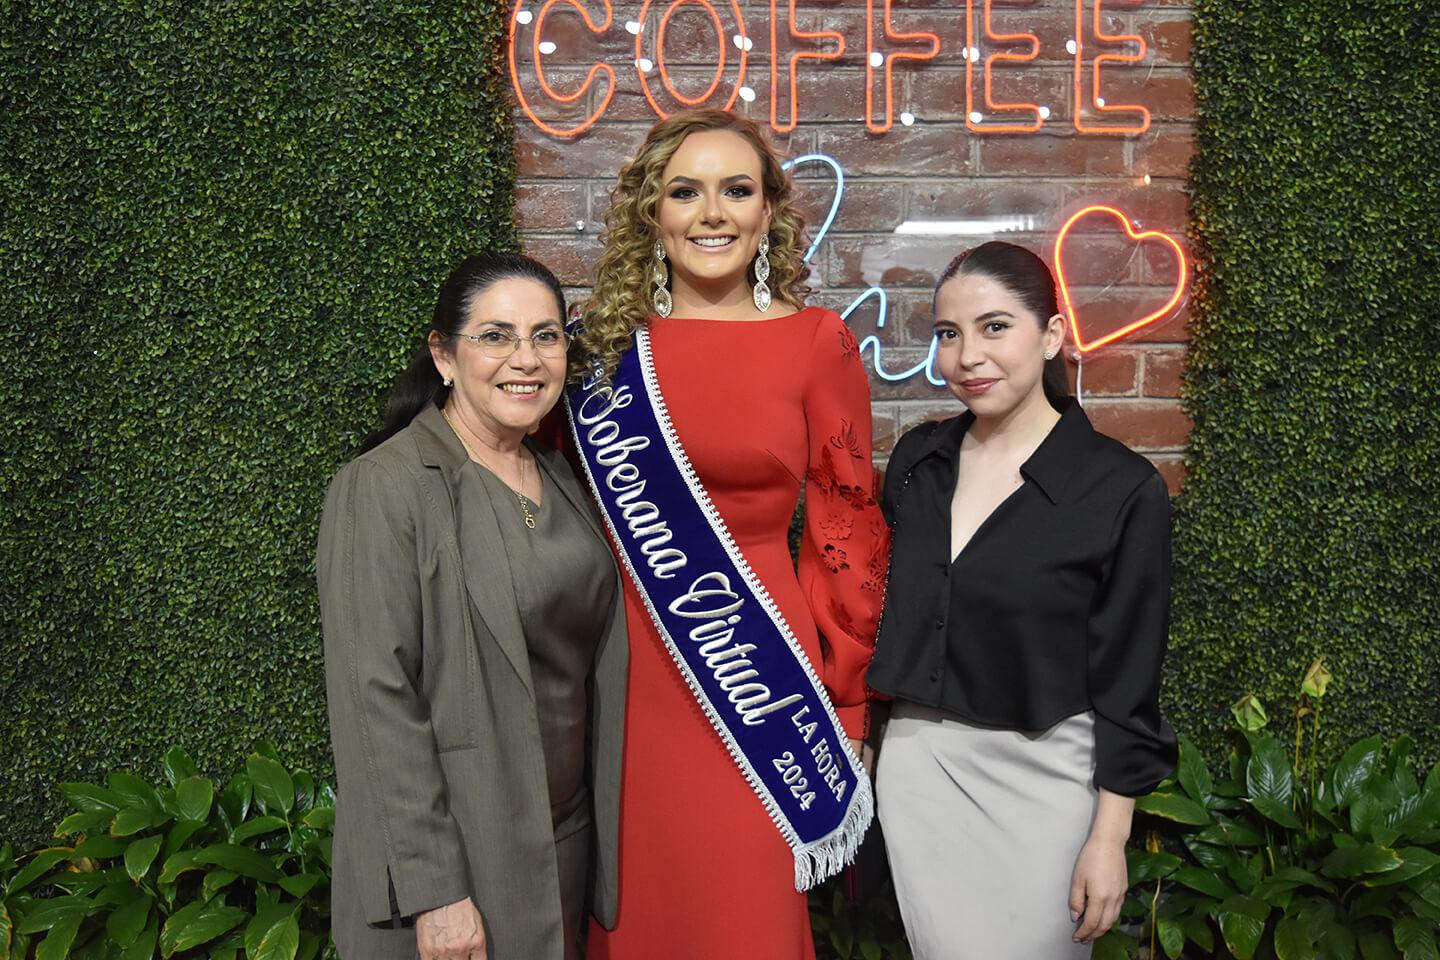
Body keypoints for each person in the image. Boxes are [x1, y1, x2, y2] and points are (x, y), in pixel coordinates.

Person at [565, 109, 889, 959]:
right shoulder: (599, 355)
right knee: (633, 911)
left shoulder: (816, 342)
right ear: (652, 214)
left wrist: (847, 696)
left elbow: (846, 529)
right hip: (624, 678)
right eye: (686, 192)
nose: (712, 213)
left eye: (735, 190)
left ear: (767, 211)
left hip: (757, 679)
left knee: (744, 918)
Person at [868, 241, 1178, 958]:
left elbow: (1130, 683)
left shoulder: (1122, 490)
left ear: (1053, 334)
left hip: (1048, 783)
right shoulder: (919, 464)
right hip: (921, 771)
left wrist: (1109, 837)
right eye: (949, 334)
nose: (967, 356)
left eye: (995, 327)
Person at [317, 252, 627, 960]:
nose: (527, 358)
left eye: (546, 336)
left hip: (560, 846)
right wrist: (436, 892)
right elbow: (376, 700)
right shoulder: (384, 487)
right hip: (458, 860)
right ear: (444, 355)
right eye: (496, 336)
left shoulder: (558, 473)